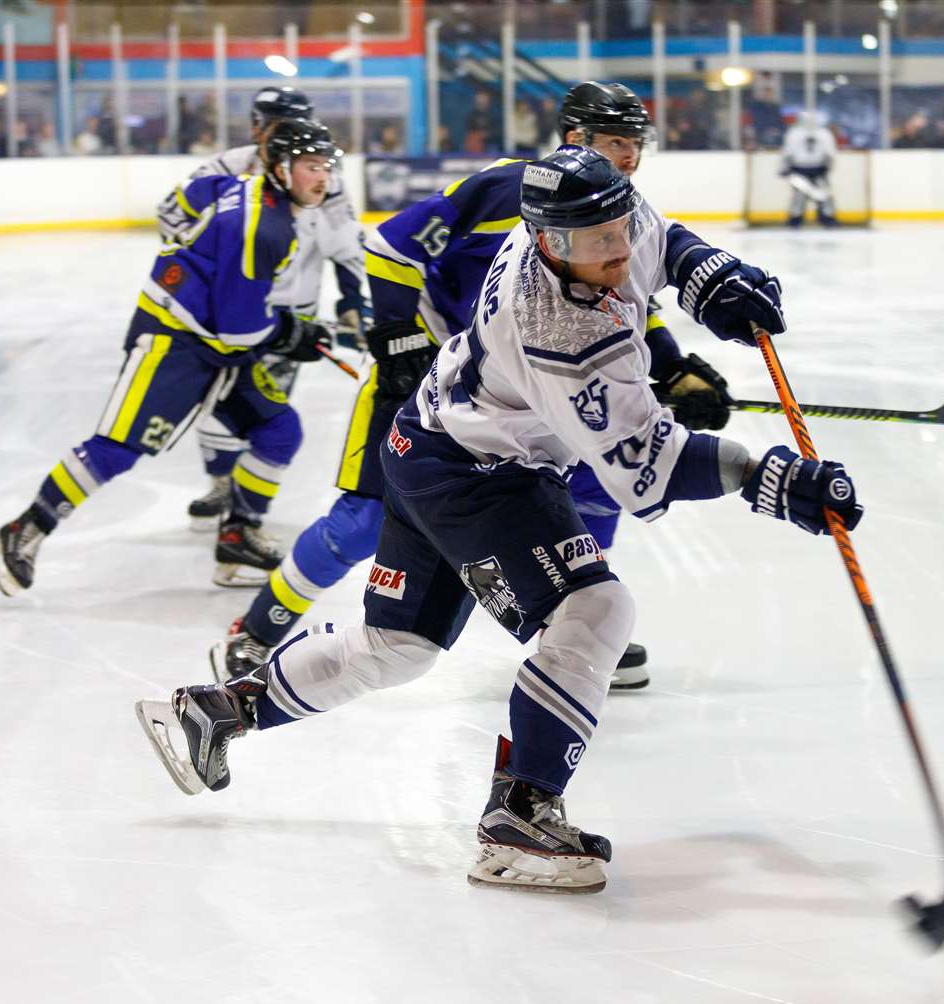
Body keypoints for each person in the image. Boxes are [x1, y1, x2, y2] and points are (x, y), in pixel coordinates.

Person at [136, 144, 860, 896]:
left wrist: (707, 274)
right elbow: (649, 468)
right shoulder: (561, 335)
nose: (616, 251)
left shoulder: (585, 217)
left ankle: (219, 710)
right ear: (549, 242)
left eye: (619, 228)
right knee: (598, 607)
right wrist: (767, 476)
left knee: (397, 647)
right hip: (479, 476)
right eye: (596, 244)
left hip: (426, 444)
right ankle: (520, 813)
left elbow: (658, 235)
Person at [210, 81, 735, 694]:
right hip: (426, 382)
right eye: (617, 143)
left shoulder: (612, 206)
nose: (630, 158)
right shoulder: (503, 186)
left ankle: (571, 625)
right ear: (575, 139)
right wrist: (399, 335)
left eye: (636, 145)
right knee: (362, 520)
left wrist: (670, 365)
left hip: (515, 396)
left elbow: (622, 297)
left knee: (592, 482)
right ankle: (257, 630)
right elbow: (388, 248)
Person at [0, 120, 343, 596]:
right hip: (174, 341)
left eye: (326, 167)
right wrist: (290, 332)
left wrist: (195, 263)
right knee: (119, 447)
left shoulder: (240, 187)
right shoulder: (266, 227)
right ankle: (24, 530)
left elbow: (176, 209)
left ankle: (237, 538)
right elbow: (240, 330)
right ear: (280, 167)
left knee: (279, 430)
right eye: (311, 167)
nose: (323, 178)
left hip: (214, 340)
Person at [157, 87, 370, 552]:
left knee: (260, 414)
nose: (279, 131)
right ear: (257, 126)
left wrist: (353, 299)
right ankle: (224, 487)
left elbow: (345, 242)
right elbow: (171, 218)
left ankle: (239, 512)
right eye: (271, 122)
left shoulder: (323, 177)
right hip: (221, 317)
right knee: (214, 408)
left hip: (287, 323)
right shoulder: (226, 168)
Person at [780, 112, 838, 227]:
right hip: (817, 168)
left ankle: (796, 219)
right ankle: (827, 218)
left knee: (800, 195)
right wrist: (829, 165)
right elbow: (830, 152)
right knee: (820, 194)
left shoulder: (794, 133)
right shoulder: (824, 133)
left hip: (801, 168)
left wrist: (785, 167)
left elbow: (788, 152)